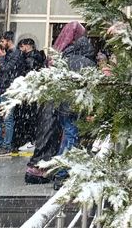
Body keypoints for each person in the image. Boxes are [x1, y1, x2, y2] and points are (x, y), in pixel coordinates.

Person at [25, 23, 88, 184]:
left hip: (51, 100)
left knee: (48, 134)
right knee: (59, 134)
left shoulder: (57, 52)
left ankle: (40, 167)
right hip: (59, 102)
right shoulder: (73, 54)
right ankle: (48, 169)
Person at [50, 24, 95, 188]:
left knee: (68, 135)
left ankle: (63, 170)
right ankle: (62, 173)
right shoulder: (89, 64)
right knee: (71, 137)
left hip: (63, 105)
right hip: (77, 106)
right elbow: (91, 88)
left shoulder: (66, 60)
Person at [0, 31, 26, 156]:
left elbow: (6, 69)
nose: (1, 44)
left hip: (8, 90)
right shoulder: (7, 53)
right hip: (0, 89)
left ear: (9, 41)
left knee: (7, 119)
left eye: (2, 41)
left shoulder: (16, 54)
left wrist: (0, 57)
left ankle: (6, 146)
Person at [15, 38, 46, 151]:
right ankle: (31, 140)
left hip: (29, 91)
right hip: (33, 91)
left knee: (29, 117)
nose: (21, 50)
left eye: (22, 47)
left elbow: (27, 74)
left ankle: (30, 141)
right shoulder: (37, 56)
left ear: (27, 46)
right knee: (31, 116)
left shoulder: (30, 58)